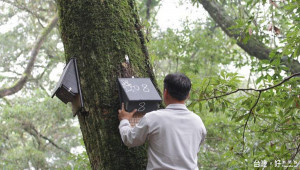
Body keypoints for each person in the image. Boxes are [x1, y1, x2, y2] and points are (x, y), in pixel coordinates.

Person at [118, 73, 206, 170]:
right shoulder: (198, 122)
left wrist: (124, 120)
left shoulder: (153, 118)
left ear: (165, 92)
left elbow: (130, 139)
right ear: (188, 95)